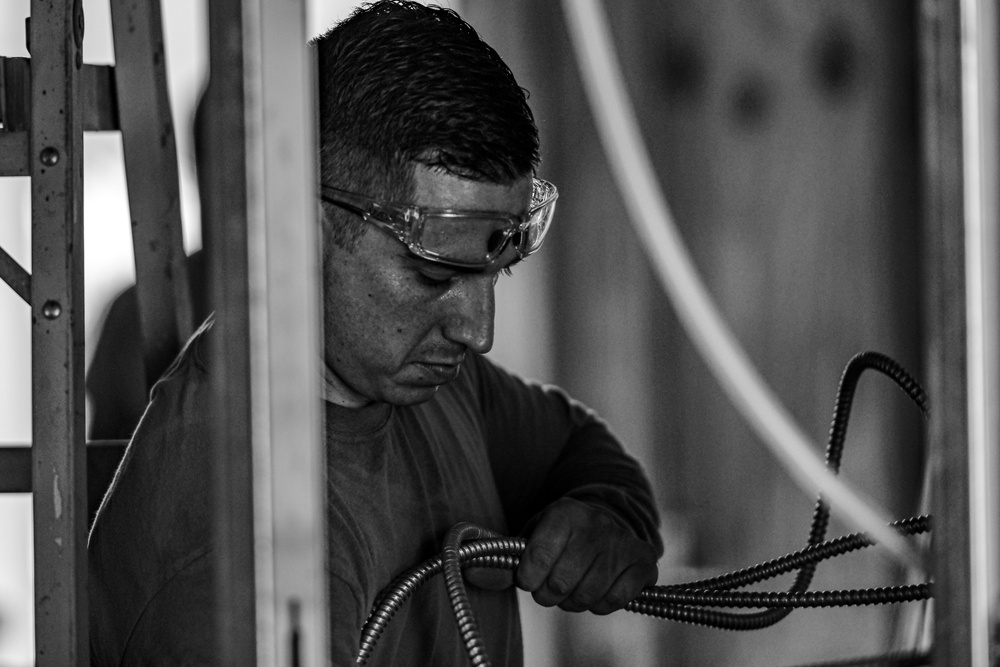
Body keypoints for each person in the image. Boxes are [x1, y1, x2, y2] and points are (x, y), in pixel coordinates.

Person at [87, 2, 663, 665]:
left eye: (494, 271)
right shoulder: (225, 556)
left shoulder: (429, 380)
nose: (479, 332)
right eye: (431, 273)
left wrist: (608, 512)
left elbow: (573, 445)